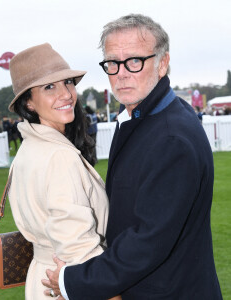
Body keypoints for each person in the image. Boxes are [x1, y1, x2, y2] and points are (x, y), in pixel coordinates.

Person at [42, 14, 223, 299]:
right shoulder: (145, 117)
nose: (122, 73)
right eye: (113, 63)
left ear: (162, 64)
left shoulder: (170, 137)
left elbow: (148, 241)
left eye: (135, 61)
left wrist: (73, 281)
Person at [7, 43, 121, 300]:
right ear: (29, 102)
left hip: (44, 279)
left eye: (68, 82)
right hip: (68, 284)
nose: (67, 94)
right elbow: (77, 247)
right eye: (49, 87)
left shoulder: (28, 149)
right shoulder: (59, 156)